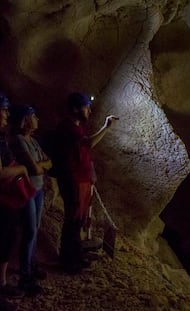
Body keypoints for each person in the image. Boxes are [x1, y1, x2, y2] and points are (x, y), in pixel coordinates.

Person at [51, 92, 117, 274]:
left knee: (78, 220)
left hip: (81, 180)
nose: (89, 110)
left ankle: (75, 255)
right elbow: (88, 144)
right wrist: (106, 127)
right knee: (72, 221)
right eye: (86, 107)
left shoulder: (76, 127)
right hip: (73, 180)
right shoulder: (68, 127)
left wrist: (91, 172)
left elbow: (83, 153)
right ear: (75, 109)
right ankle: (68, 261)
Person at [9, 105, 52, 296]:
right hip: (27, 191)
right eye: (34, 116)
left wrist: (40, 166)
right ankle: (25, 276)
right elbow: (35, 169)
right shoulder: (19, 141)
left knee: (34, 229)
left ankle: (31, 265)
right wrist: (40, 166)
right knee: (30, 231)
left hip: (38, 189)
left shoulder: (32, 141)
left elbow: (49, 163)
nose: (37, 119)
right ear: (25, 120)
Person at [0, 93, 26, 304]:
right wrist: (22, 168)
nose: (7, 114)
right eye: (4, 109)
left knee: (7, 239)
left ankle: (1, 283)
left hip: (5, 200)